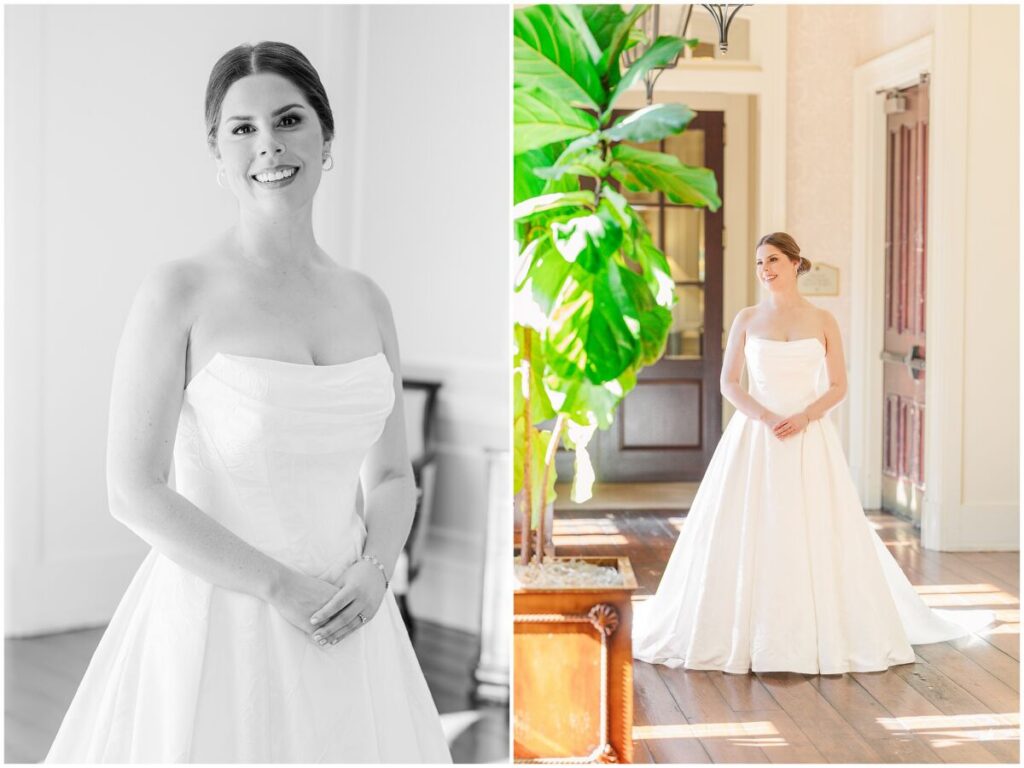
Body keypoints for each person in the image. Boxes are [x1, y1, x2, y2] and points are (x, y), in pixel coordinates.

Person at [46, 41, 451, 762]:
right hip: (220, 614)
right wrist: (278, 588)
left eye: (290, 120)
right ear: (217, 152)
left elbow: (392, 478)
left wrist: (373, 571)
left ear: (326, 138)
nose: (269, 145)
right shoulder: (179, 291)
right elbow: (132, 490)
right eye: (243, 128)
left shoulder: (367, 300)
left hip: (350, 610)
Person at [632, 232, 993, 675]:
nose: (765, 269)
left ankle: (821, 627)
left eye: (774, 260)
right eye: (760, 261)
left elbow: (839, 385)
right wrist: (765, 417)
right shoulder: (746, 319)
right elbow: (729, 383)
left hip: (807, 436)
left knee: (814, 525)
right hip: (757, 436)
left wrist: (804, 417)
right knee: (748, 523)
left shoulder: (822, 319)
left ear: (795, 264)